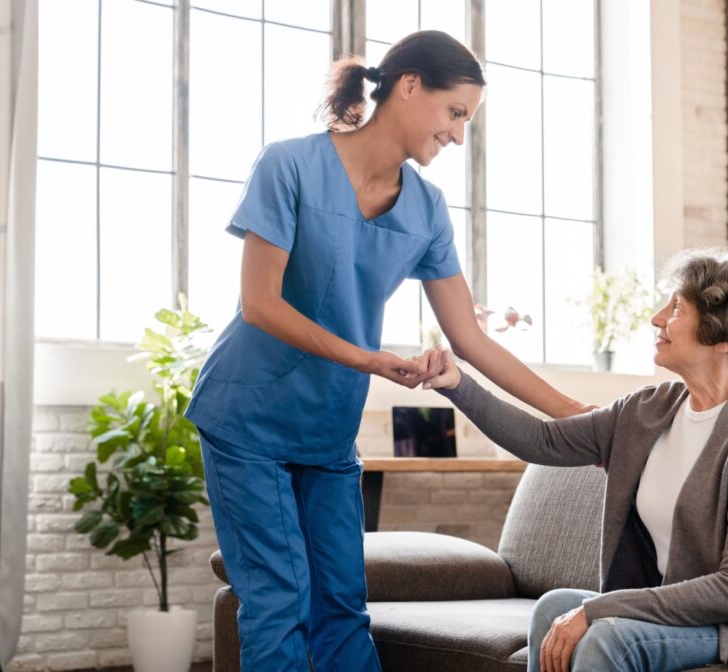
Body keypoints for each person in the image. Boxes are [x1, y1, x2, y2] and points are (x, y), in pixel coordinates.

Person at [184, 30, 589, 672]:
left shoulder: (426, 209)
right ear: (407, 87)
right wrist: (367, 360)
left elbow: (470, 338)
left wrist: (579, 415)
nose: (458, 135)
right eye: (454, 112)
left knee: (344, 609)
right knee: (278, 602)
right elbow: (260, 304)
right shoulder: (288, 165)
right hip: (247, 418)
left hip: (328, 429)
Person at [423, 248, 728, 672]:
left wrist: (598, 609)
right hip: (697, 615)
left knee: (607, 634)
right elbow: (542, 442)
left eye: (676, 307)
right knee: (554, 608)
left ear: (723, 336)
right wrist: (457, 385)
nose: (658, 318)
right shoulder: (648, 410)